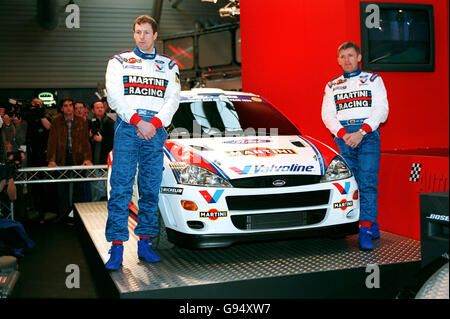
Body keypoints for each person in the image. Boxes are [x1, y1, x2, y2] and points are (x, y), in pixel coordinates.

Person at [104, 14, 180, 270]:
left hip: (155, 131)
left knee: (150, 189)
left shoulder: (169, 66)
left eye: (147, 32)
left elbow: (173, 100)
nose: (142, 37)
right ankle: (116, 247)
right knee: (121, 188)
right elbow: (115, 98)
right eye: (138, 32)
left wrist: (154, 124)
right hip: (128, 128)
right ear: (134, 34)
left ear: (155, 35)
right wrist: (139, 122)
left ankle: (145, 242)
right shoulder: (119, 62)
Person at [321, 42, 389, 250]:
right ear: (338, 60)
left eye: (350, 55)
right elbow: (327, 115)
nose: (347, 60)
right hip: (343, 138)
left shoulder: (373, 80)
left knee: (367, 182)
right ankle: (370, 222)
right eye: (342, 56)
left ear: (359, 57)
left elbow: (381, 110)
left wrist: (361, 132)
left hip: (367, 136)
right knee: (352, 184)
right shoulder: (332, 85)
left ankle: (365, 229)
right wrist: (344, 134)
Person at [47, 98, 92, 222]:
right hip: (62, 156)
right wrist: (51, 159)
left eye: (70, 105)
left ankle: (77, 216)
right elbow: (52, 141)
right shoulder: (56, 121)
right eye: (65, 106)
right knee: (62, 187)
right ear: (61, 108)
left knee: (78, 187)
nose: (68, 108)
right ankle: (63, 215)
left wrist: (87, 158)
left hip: (77, 156)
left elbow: (85, 142)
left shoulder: (81, 121)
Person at [89, 99, 114, 201]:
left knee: (105, 190)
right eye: (97, 108)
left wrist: (102, 139)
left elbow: (115, 141)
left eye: (102, 107)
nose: (100, 109)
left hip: (105, 162)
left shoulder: (110, 123)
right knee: (95, 191)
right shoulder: (90, 123)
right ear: (93, 111)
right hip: (93, 161)